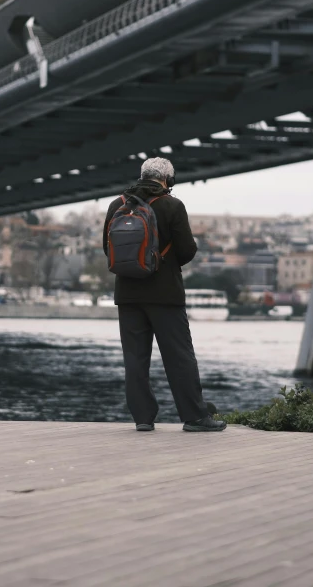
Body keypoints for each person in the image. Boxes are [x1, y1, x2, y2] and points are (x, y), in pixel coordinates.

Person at [103, 157, 226, 433]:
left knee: (135, 359)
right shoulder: (173, 205)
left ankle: (143, 418)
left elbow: (107, 247)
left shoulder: (116, 205)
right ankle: (195, 417)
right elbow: (187, 250)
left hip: (128, 294)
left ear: (142, 176)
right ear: (168, 180)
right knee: (179, 357)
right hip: (165, 294)